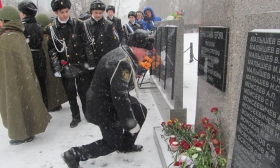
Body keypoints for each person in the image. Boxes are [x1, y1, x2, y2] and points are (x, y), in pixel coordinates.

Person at [61, 29, 154, 168]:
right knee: (111, 143)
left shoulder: (125, 53)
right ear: (134, 47)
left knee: (140, 110)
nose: (147, 54)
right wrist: (129, 122)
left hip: (108, 98)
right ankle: (75, 154)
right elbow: (120, 96)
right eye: (145, 50)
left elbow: (119, 86)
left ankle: (125, 146)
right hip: (103, 106)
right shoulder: (123, 61)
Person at [0, 6, 52, 145]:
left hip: (12, 81)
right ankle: (28, 130)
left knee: (15, 105)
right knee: (26, 102)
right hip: (24, 78)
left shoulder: (5, 39)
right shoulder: (18, 35)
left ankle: (21, 133)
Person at [47, 0, 94, 128]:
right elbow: (52, 50)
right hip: (65, 66)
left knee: (84, 91)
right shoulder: (52, 28)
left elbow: (86, 44)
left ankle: (88, 114)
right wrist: (56, 67)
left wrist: (90, 62)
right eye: (62, 12)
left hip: (80, 63)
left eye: (67, 11)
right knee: (71, 93)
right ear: (56, 12)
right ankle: (75, 116)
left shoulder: (78, 24)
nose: (65, 14)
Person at [18, 1, 48, 109]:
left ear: (23, 13)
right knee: (42, 84)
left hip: (30, 57)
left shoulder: (22, 27)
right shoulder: (38, 25)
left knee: (32, 86)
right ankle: (45, 106)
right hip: (40, 56)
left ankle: (36, 109)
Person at [36, 13, 68, 112]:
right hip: (54, 65)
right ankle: (56, 103)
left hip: (47, 66)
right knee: (55, 85)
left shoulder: (42, 37)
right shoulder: (51, 34)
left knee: (48, 85)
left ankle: (52, 104)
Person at [83, 0, 119, 82]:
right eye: (96, 13)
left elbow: (114, 43)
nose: (98, 15)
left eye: (100, 13)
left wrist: (112, 59)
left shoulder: (109, 24)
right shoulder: (85, 24)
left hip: (105, 58)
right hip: (90, 60)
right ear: (91, 12)